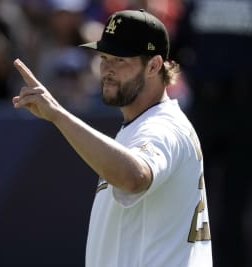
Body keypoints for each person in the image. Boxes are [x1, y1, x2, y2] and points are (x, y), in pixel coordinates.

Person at [12, 9, 212, 267]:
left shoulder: (163, 127)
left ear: (154, 65)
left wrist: (58, 115)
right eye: (105, 57)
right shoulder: (141, 125)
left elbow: (134, 177)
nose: (106, 68)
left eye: (120, 59)